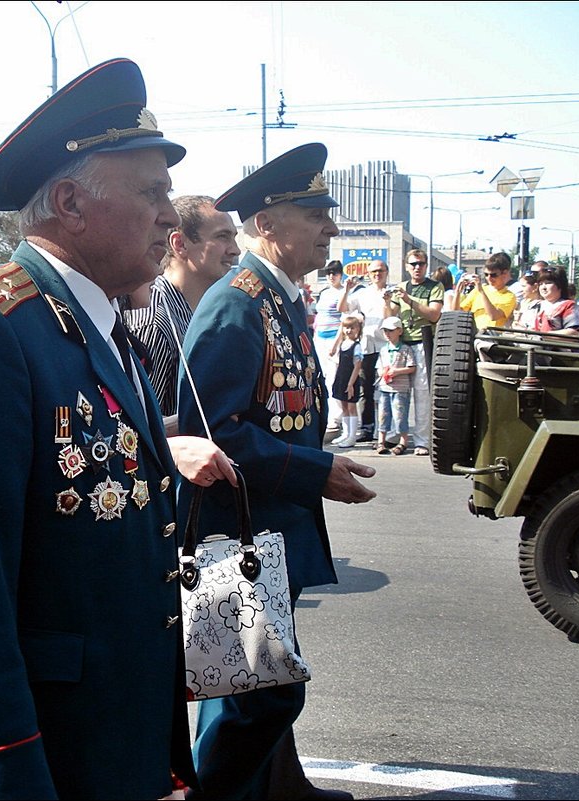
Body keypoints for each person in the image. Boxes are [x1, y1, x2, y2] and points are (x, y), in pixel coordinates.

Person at [0, 57, 234, 801]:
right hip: (27, 764)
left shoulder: (102, 328)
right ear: (70, 201)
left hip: (102, 746)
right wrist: (4, 780)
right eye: (152, 192)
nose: (171, 217)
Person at [178, 142, 376, 801]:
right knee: (250, 697)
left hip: (266, 531)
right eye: (315, 212)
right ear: (267, 224)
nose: (332, 227)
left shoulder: (276, 297)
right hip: (236, 534)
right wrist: (314, 471)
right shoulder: (237, 305)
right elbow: (214, 434)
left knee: (257, 682)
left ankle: (280, 788)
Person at [124, 194, 241, 417]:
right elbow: (143, 426)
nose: (235, 250)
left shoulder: (203, 311)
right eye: (223, 237)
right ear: (180, 244)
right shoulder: (155, 323)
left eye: (234, 237)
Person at [388, 249, 443, 456]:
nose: (417, 267)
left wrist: (409, 300)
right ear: (406, 266)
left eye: (420, 264)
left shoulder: (434, 286)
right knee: (397, 392)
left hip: (423, 342)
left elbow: (434, 315)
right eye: (413, 264)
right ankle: (397, 437)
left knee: (422, 393)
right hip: (402, 344)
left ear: (426, 266)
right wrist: (387, 302)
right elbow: (390, 316)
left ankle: (422, 440)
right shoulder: (401, 287)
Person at [340, 259, 392, 443]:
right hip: (367, 347)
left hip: (387, 347)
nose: (377, 274)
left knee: (389, 389)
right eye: (373, 272)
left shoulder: (392, 292)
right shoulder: (363, 293)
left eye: (380, 270)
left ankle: (389, 432)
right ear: (369, 275)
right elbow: (343, 308)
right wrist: (346, 289)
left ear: (386, 272)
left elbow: (392, 318)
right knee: (365, 390)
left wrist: (388, 302)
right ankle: (367, 429)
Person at [374, 316, 416, 456]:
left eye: (390, 331)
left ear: (399, 331)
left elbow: (412, 367)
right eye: (385, 331)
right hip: (385, 386)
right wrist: (382, 372)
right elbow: (379, 367)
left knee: (400, 415)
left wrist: (396, 372)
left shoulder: (405, 349)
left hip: (400, 388)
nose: (388, 334)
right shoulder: (383, 350)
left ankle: (403, 441)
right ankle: (381, 440)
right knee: (383, 414)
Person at [313, 260, 346, 433]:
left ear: (341, 274)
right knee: (322, 378)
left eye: (334, 273)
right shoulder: (324, 293)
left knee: (334, 378)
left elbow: (345, 319)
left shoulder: (343, 292)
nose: (331, 276)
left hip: (335, 339)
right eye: (328, 273)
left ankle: (336, 417)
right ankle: (327, 415)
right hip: (320, 338)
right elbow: (318, 316)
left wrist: (336, 342)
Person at [456, 251, 516, 330]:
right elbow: (457, 312)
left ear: (504, 273)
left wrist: (481, 291)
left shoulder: (509, 296)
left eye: (493, 275)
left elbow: (493, 316)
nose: (489, 278)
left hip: (491, 336)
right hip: (472, 333)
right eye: (486, 274)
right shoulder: (478, 290)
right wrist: (457, 292)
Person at [330, 312, 364, 448]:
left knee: (351, 406)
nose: (349, 330)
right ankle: (345, 433)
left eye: (352, 328)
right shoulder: (343, 343)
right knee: (343, 405)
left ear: (358, 329)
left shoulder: (356, 346)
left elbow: (357, 366)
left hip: (351, 379)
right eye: (346, 328)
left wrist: (351, 383)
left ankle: (352, 436)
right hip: (341, 377)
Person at [533, 267, 579, 334]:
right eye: (541, 284)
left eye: (548, 283)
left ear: (560, 285)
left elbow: (573, 333)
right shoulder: (536, 306)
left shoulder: (568, 306)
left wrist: (544, 336)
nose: (543, 287)